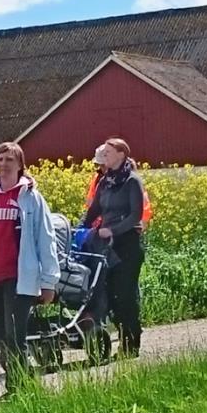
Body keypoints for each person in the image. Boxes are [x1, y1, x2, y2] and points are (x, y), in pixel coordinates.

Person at [0, 142, 59, 382]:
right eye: (0, 160)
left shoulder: (30, 198)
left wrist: (49, 282)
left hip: (19, 278)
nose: (4, 164)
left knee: (15, 335)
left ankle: (18, 387)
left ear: (20, 165)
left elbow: (45, 239)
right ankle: (23, 380)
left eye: (10, 160)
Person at [83, 138, 147, 357]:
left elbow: (135, 215)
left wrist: (114, 230)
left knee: (125, 294)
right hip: (107, 247)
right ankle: (122, 336)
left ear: (121, 154)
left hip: (127, 244)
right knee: (109, 294)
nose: (105, 156)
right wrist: (79, 228)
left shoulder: (132, 181)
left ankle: (131, 343)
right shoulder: (106, 182)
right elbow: (94, 210)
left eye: (109, 152)